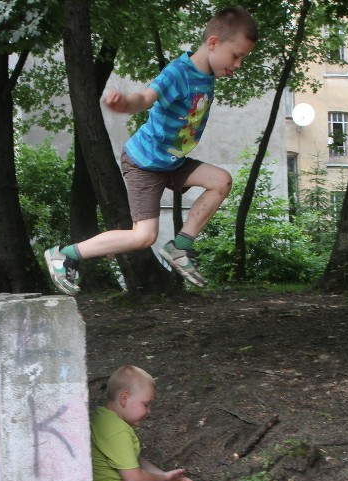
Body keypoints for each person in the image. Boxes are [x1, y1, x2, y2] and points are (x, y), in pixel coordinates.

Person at [45, 6, 259, 294]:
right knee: (143, 236)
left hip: (172, 162)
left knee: (221, 181)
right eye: (236, 55)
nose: (238, 64)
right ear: (213, 43)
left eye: (243, 58)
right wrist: (126, 104)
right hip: (144, 163)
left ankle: (180, 247)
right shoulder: (178, 73)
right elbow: (147, 96)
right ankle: (65, 254)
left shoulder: (207, 74)